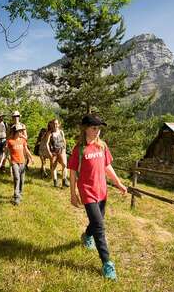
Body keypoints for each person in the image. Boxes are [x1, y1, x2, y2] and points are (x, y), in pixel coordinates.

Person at [67, 114, 127, 281]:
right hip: (87, 192)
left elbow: (107, 167)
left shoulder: (102, 146)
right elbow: (72, 172)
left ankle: (86, 236)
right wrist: (73, 193)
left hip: (102, 191)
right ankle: (107, 264)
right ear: (85, 128)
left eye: (99, 128)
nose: (97, 131)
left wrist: (119, 183)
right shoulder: (79, 149)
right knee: (100, 226)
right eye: (94, 128)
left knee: (96, 222)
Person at [0, 123, 34, 205]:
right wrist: (1, 163)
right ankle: (16, 196)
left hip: (22, 162)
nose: (21, 133)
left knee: (22, 180)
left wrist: (31, 158)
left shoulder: (23, 140)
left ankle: (20, 193)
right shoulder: (10, 141)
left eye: (21, 131)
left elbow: (26, 150)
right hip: (14, 162)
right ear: (15, 132)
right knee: (17, 178)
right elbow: (5, 153)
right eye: (19, 131)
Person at [46, 119, 69, 187]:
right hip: (54, 152)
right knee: (53, 166)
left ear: (59, 124)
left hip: (61, 150)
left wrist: (64, 149)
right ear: (52, 125)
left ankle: (64, 180)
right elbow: (47, 143)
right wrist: (49, 152)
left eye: (56, 124)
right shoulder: (50, 133)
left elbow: (64, 141)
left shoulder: (61, 132)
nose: (55, 125)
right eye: (54, 124)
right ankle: (55, 182)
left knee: (64, 165)